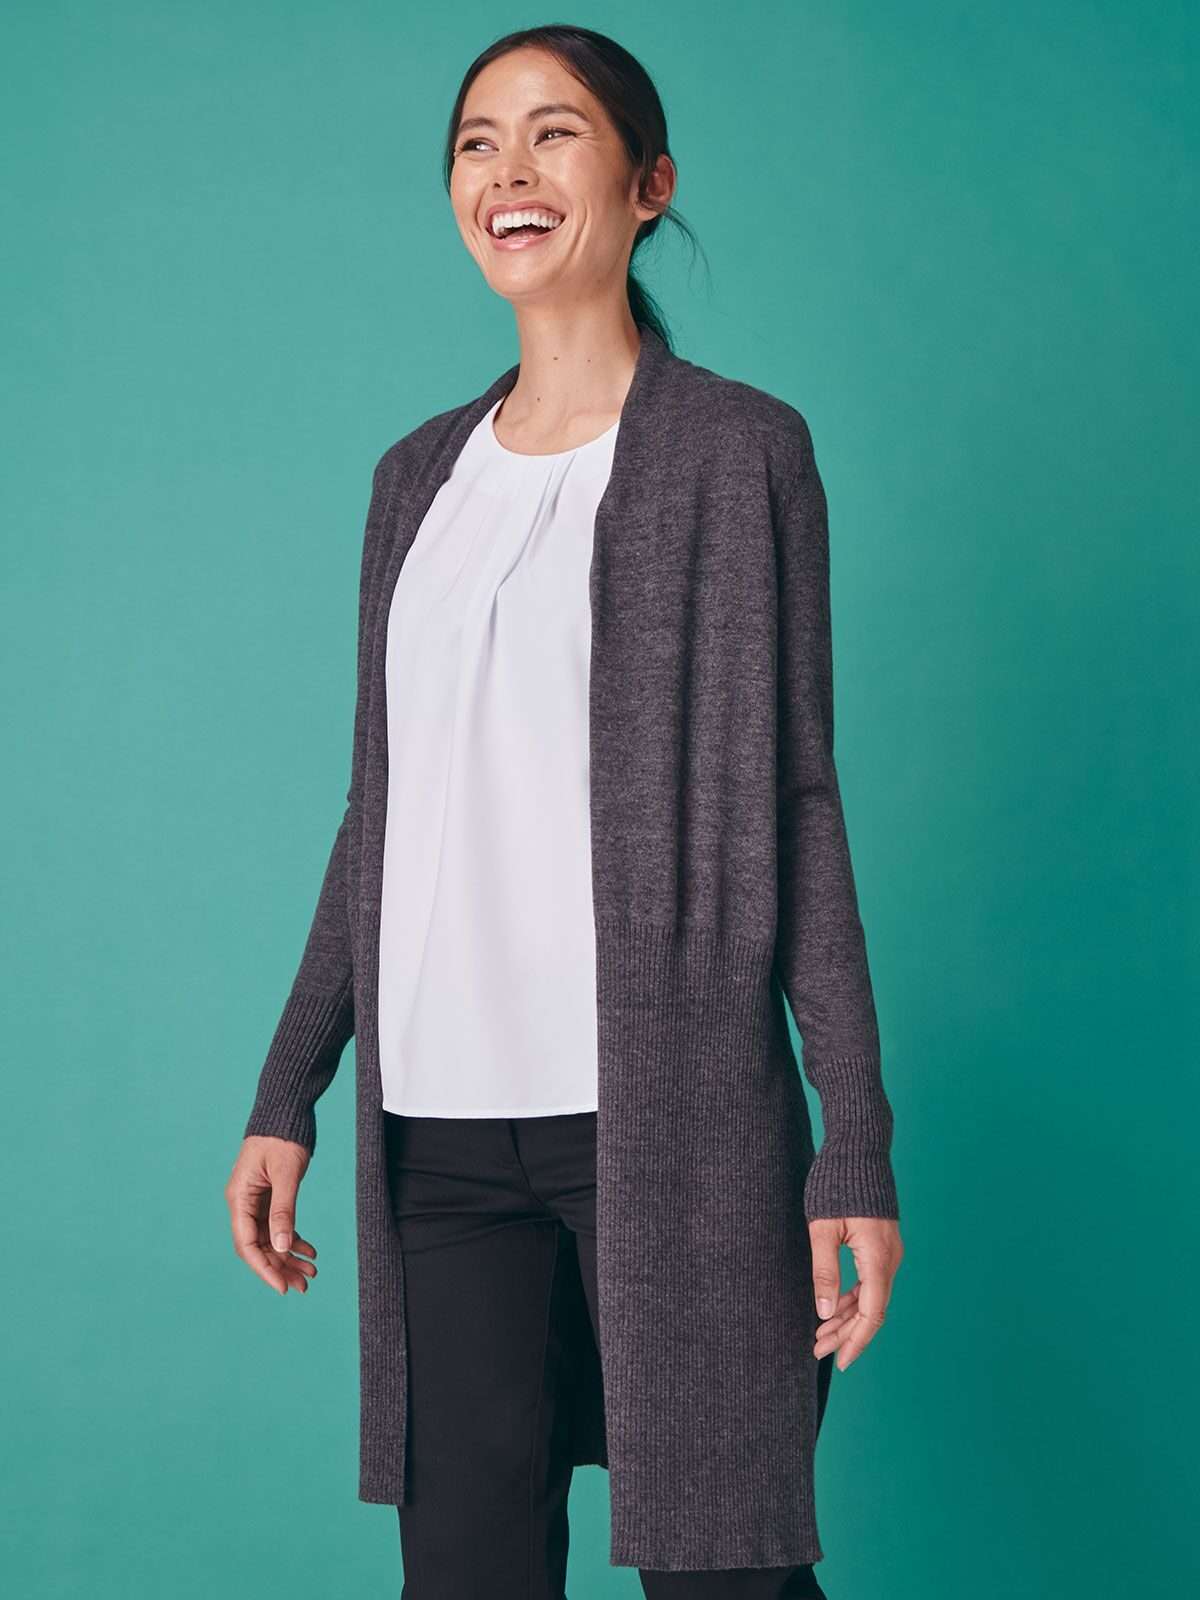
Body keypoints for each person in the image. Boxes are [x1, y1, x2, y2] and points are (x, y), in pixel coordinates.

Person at [226, 23, 904, 1600]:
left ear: (650, 184)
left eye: (555, 134)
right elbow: (382, 811)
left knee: (724, 1565)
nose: (508, 172)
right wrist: (290, 1086)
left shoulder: (741, 453)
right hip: (438, 1134)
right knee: (466, 1574)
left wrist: (853, 1142)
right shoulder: (415, 481)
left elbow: (799, 803)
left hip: (668, 1116)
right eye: (477, 142)